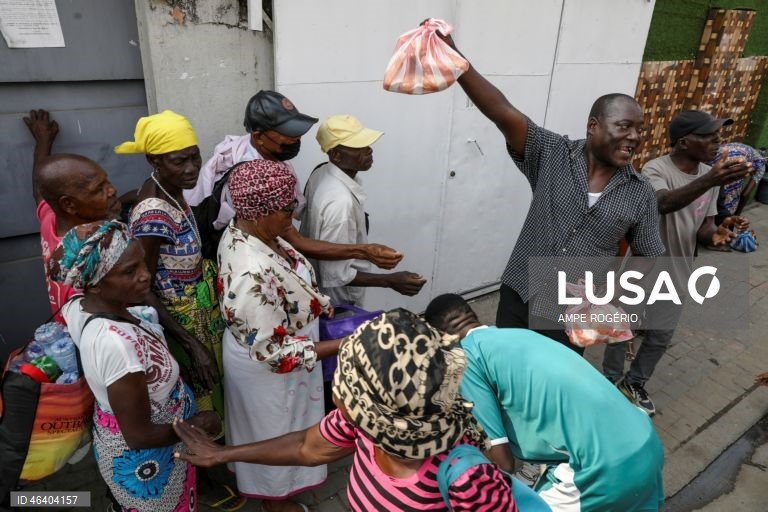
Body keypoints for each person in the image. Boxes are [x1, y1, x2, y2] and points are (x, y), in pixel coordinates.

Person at [434, 31, 665, 352]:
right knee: (505, 370)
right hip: (520, 291)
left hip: (571, 316)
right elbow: (502, 111)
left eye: (639, 128)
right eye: (624, 126)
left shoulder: (640, 193)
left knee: (546, 389)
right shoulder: (552, 153)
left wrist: (611, 293)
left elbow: (649, 253)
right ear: (594, 125)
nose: (635, 136)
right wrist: (453, 56)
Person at [173, 309, 516, 512]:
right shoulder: (369, 426)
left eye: (344, 382)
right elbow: (306, 447)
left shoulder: (468, 477)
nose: (336, 393)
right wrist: (223, 453)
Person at [425, 294, 664, 512]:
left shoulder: (467, 357)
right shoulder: (519, 335)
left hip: (603, 465)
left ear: (439, 339)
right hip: (645, 441)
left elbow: (502, 462)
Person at [48, 220, 221, 512]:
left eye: (142, 263)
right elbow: (139, 436)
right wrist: (200, 425)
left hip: (160, 451)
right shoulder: (117, 346)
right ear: (96, 283)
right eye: (130, 271)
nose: (145, 276)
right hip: (148, 463)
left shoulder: (81, 306)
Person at [603, 110, 753, 415]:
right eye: (709, 135)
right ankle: (608, 384)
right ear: (684, 142)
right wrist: (712, 178)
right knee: (621, 331)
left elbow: (704, 227)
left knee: (660, 338)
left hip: (678, 274)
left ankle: (634, 384)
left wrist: (719, 234)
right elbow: (663, 203)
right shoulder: (654, 169)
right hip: (641, 270)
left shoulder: (710, 177)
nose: (717, 141)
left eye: (718, 135)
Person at [216, 160, 341, 511]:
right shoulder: (249, 272)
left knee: (290, 427)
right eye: (288, 209)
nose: (294, 215)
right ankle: (275, 503)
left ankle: (285, 492)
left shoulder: (251, 230)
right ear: (259, 211)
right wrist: (345, 345)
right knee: (275, 436)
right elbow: (277, 354)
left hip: (286, 353)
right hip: (270, 369)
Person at [184, 89, 405, 271]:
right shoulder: (253, 178)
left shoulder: (271, 155)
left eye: (296, 131)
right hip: (253, 268)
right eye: (287, 133)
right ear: (259, 136)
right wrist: (363, 251)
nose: (296, 139)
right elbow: (293, 239)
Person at [116, 111, 223, 419]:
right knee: (199, 413)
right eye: (179, 161)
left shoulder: (170, 192)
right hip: (179, 327)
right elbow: (142, 288)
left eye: (194, 157)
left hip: (198, 318)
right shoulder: (155, 214)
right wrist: (192, 347)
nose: (191, 169)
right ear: (155, 161)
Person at [300, 115, 427, 305]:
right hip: (340, 300)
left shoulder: (321, 172)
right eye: (359, 147)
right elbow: (335, 274)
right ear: (336, 155)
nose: (369, 151)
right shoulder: (340, 203)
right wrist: (390, 281)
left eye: (367, 144)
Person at [23, 109, 120, 322]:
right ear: (68, 204)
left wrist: (43, 142)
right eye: (98, 189)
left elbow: (39, 191)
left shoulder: (51, 220)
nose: (112, 191)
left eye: (107, 182)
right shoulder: (90, 258)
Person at [710, 142, 766, 229]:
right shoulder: (761, 163)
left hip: (717, 161)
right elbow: (745, 194)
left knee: (713, 198)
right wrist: (737, 216)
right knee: (728, 203)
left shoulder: (744, 147)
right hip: (732, 163)